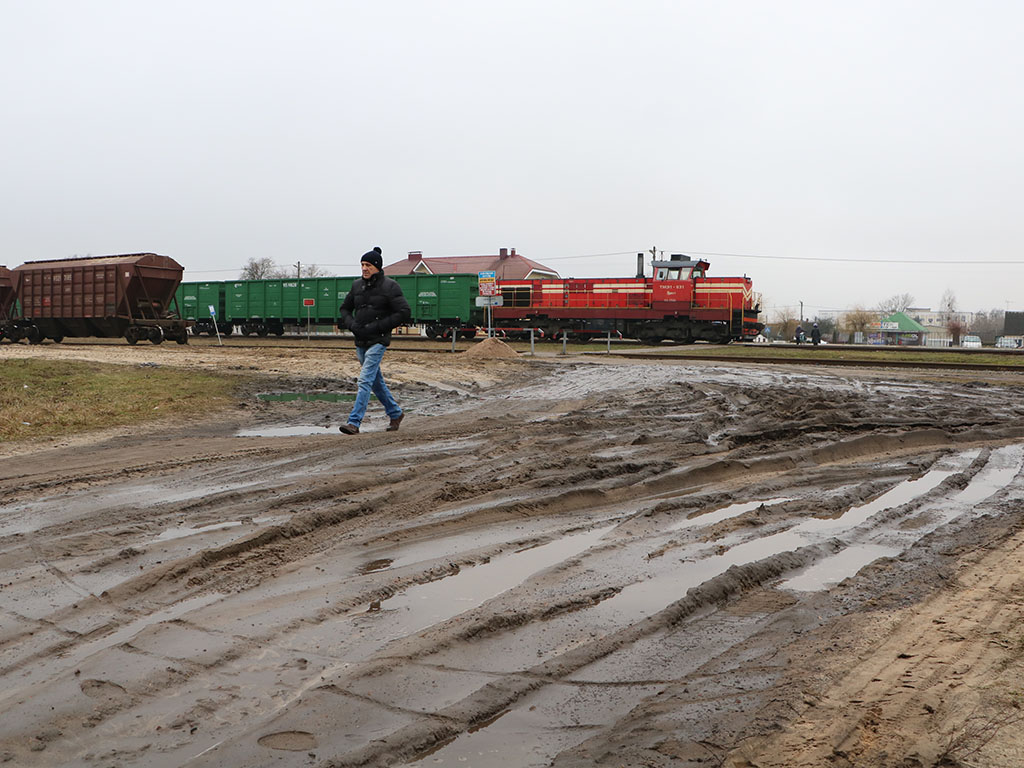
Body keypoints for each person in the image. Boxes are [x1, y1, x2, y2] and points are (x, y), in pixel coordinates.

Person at [337, 247, 411, 434]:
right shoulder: (356, 286)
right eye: (362, 264)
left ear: (377, 266)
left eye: (368, 265)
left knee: (364, 380)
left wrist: (379, 326)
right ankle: (395, 413)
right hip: (360, 341)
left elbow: (404, 312)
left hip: (379, 340)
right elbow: (344, 309)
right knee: (375, 382)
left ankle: (354, 422)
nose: (364, 268)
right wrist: (352, 324)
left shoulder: (390, 286)